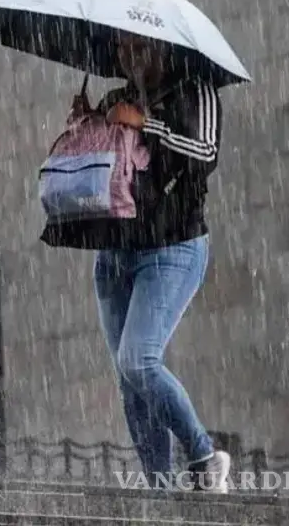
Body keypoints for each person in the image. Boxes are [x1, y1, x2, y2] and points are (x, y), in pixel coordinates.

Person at [72, 33, 230, 491]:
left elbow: (204, 154)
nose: (129, 57)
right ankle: (159, 489)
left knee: (138, 361)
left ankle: (204, 457)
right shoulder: (115, 95)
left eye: (139, 47)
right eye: (123, 48)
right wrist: (85, 124)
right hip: (115, 251)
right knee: (129, 380)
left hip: (174, 248)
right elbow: (100, 167)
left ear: (163, 48)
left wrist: (145, 123)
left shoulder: (196, 89)